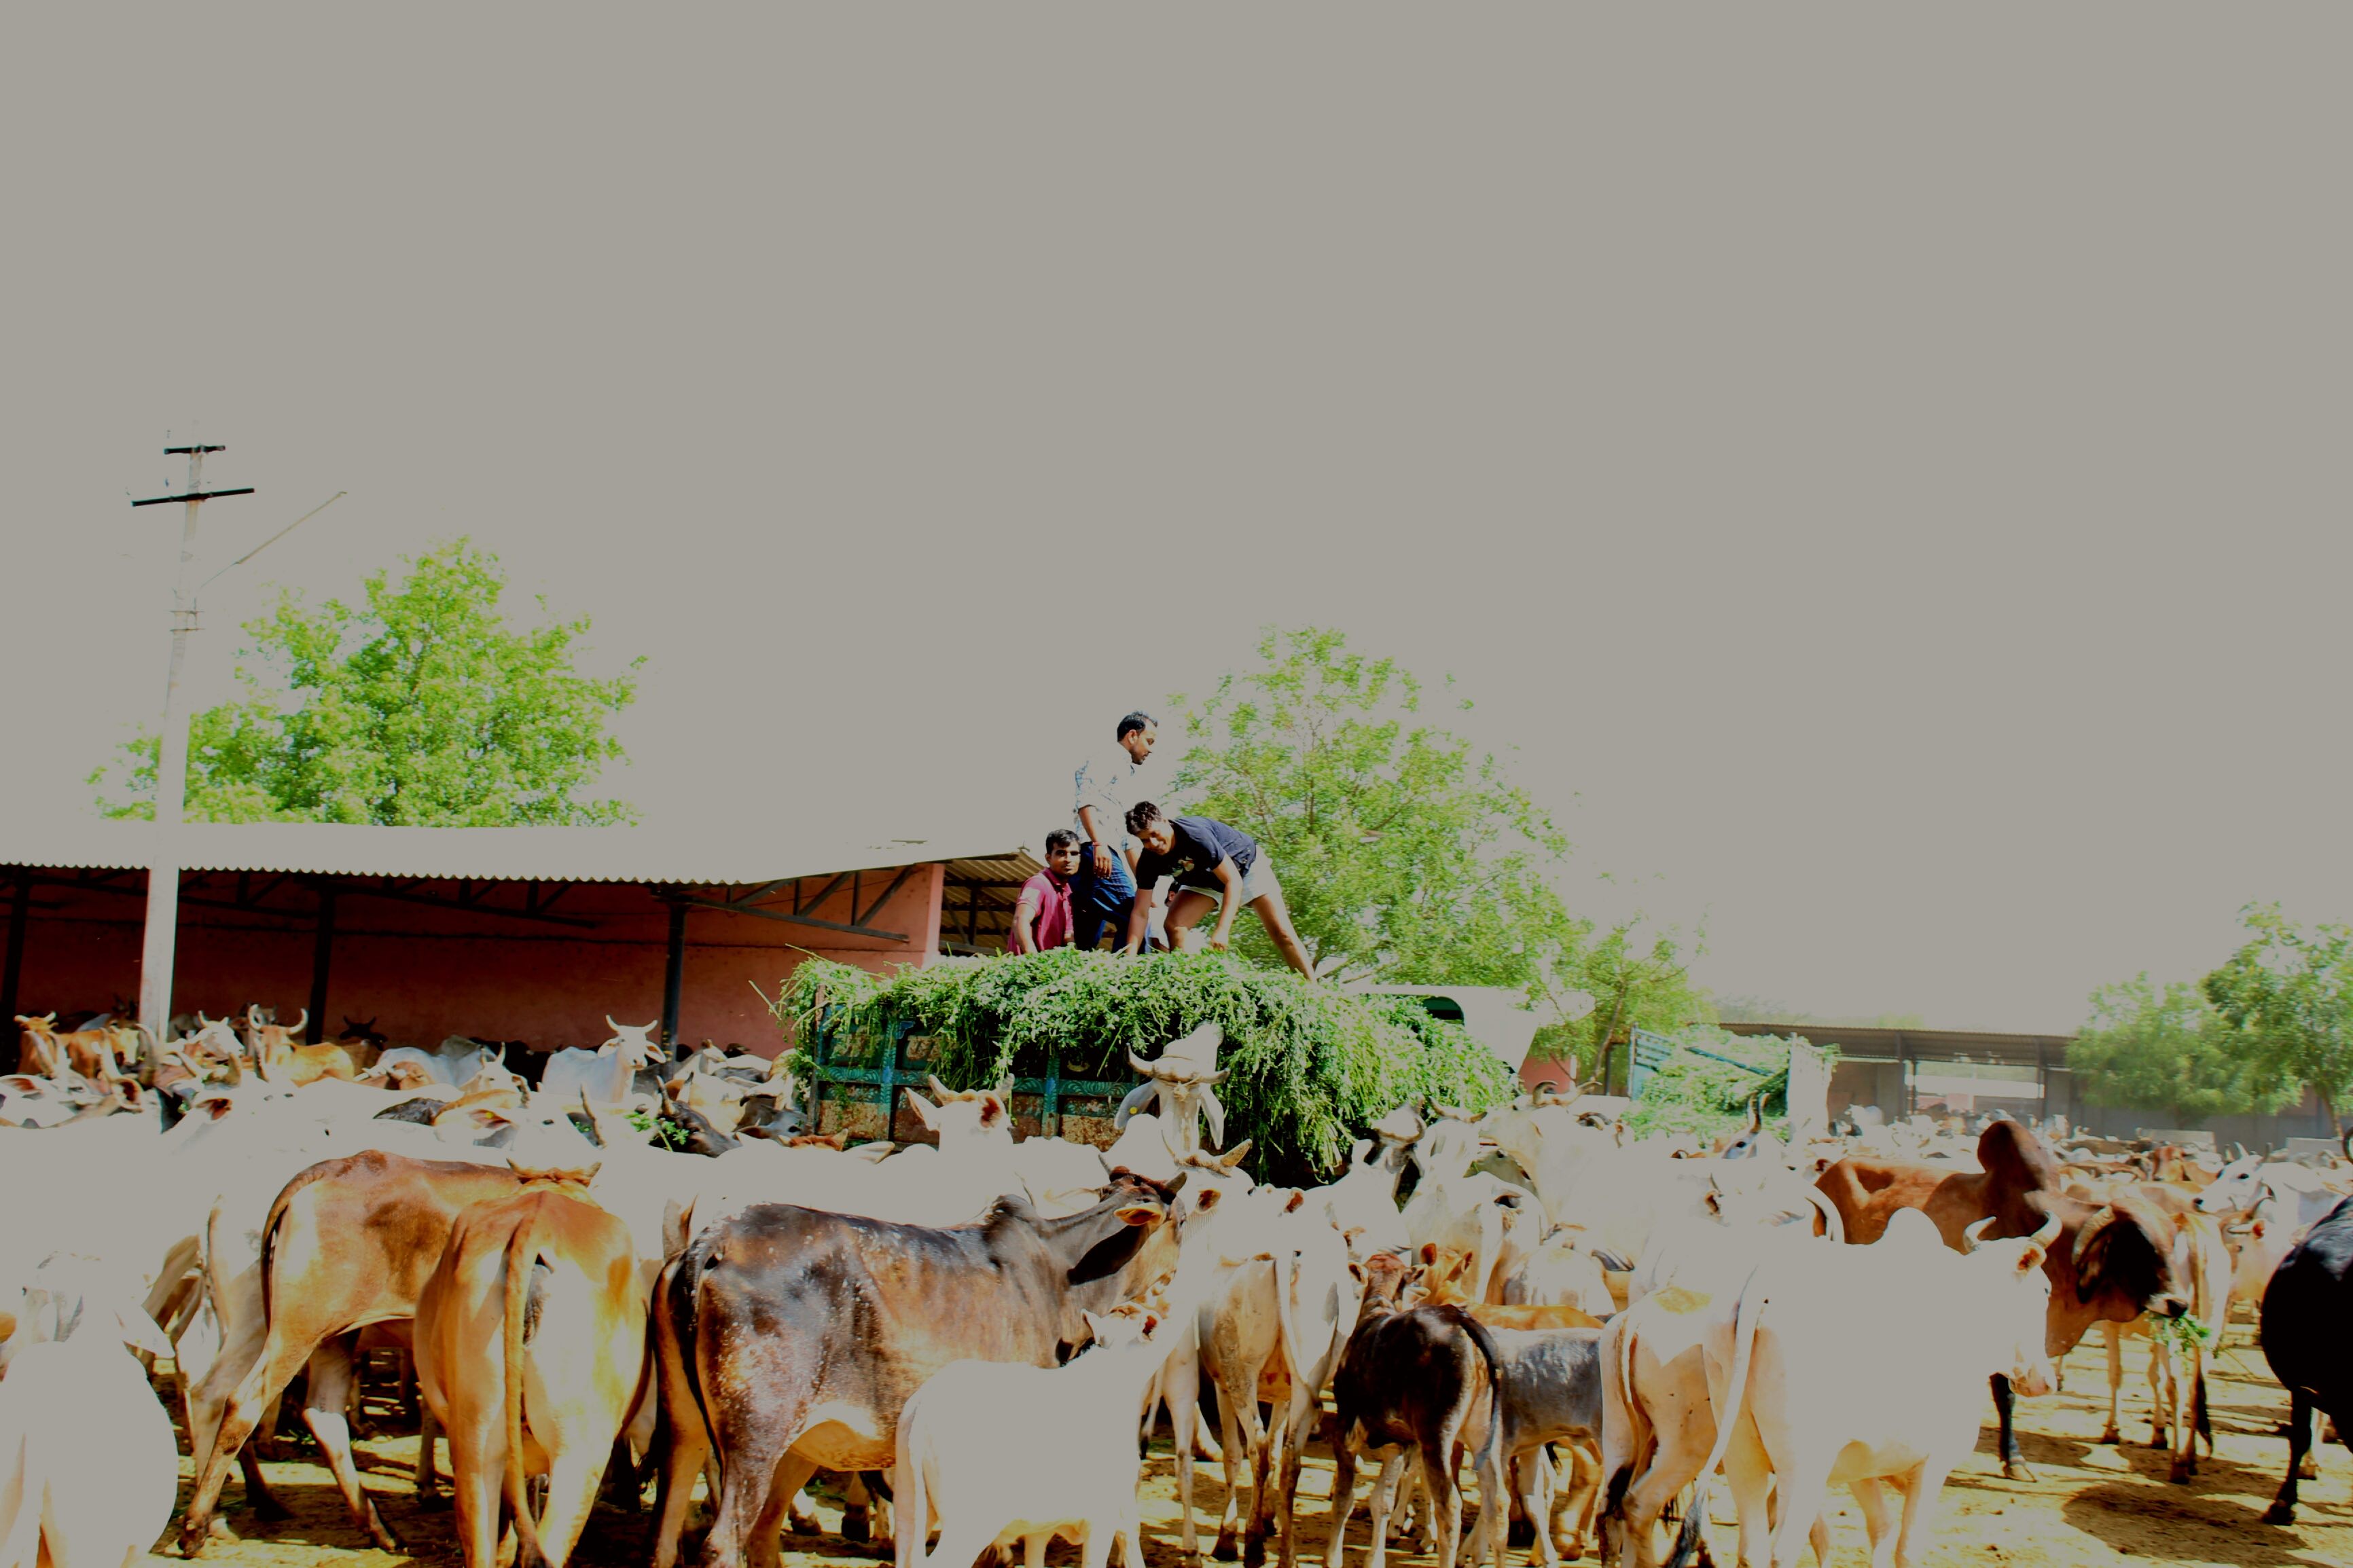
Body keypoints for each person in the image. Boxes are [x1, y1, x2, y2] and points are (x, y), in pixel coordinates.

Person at [1119, 801, 1315, 979]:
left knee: (1282, 933)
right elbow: (1141, 912)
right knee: (1174, 925)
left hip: (1244, 868)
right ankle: (1185, 983)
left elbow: (1233, 881)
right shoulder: (1149, 859)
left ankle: (1312, 991)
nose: (1153, 844)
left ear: (1165, 821)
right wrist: (1129, 959)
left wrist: (1222, 929)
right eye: (1145, 840)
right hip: (1203, 880)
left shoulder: (1194, 836)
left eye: (1155, 834)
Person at [1069, 710, 1160, 949]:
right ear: (1132, 735)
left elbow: (1130, 839)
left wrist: (1146, 891)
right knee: (1135, 922)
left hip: (1105, 853)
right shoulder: (1108, 758)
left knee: (1086, 944)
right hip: (1097, 853)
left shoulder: (1126, 774)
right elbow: (1085, 800)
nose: (1151, 750)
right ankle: (1132, 981)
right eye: (1149, 741)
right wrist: (1099, 843)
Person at [1007, 830, 1080, 955]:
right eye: (1061, 853)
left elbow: (1068, 936)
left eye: (1074, 854)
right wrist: (1034, 960)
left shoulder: (1067, 892)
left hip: (1050, 968)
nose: (1068, 859)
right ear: (1048, 858)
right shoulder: (1039, 884)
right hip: (1027, 968)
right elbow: (1021, 920)